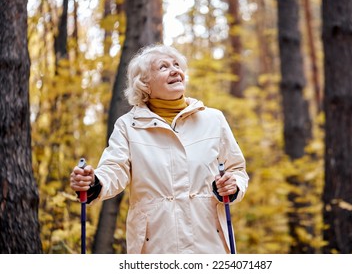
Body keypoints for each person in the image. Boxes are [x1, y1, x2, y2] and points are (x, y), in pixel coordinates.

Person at [69, 44, 249, 254]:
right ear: (144, 84)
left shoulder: (213, 119)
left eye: (177, 65)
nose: (175, 70)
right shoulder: (128, 126)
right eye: (163, 67)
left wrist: (232, 185)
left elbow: (236, 169)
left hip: (209, 244)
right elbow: (113, 169)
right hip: (156, 246)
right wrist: (92, 182)